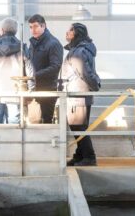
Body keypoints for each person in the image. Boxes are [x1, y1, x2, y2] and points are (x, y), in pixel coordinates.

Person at [62, 23, 101, 166]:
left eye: (70, 29)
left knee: (78, 127)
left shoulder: (78, 52)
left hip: (77, 95)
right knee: (78, 127)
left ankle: (89, 157)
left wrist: (95, 85)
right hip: (80, 95)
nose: (67, 32)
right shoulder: (80, 50)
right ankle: (80, 155)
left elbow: (85, 73)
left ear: (76, 33)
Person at [28, 14, 63, 123]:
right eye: (30, 27)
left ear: (44, 26)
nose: (33, 30)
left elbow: (55, 66)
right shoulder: (33, 44)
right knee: (34, 124)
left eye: (35, 26)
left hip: (47, 90)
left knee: (46, 124)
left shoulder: (53, 44)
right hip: (34, 89)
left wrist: (35, 75)